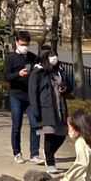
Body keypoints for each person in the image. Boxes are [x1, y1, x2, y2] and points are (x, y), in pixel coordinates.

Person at [30, 46, 71, 174]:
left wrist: (65, 88)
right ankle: (50, 162)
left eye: (55, 54)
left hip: (60, 107)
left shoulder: (60, 70)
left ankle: (49, 152)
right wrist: (36, 111)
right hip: (46, 108)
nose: (54, 58)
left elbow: (69, 85)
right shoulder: (38, 72)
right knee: (50, 133)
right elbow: (33, 92)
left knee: (62, 135)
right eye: (51, 55)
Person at [4, 30, 42, 165]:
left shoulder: (32, 57)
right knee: (16, 125)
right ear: (16, 42)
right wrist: (18, 74)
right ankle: (17, 152)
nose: (24, 47)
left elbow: (39, 73)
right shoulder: (10, 58)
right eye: (22, 44)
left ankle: (35, 153)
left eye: (26, 44)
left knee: (35, 125)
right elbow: (6, 76)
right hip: (16, 95)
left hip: (30, 96)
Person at [64, 109, 91, 181]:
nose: (68, 130)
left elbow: (82, 164)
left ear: (77, 128)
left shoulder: (81, 142)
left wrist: (66, 178)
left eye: (69, 127)